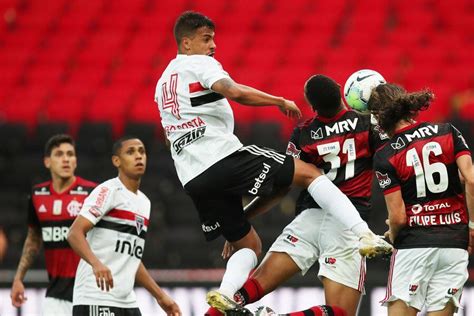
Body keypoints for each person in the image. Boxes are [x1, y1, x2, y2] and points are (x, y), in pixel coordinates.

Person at [155, 11, 391, 313]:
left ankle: (226, 295)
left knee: (248, 245)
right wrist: (278, 101)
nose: (213, 45)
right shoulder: (200, 63)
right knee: (308, 174)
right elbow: (235, 91)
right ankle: (365, 234)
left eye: (213, 38)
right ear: (185, 43)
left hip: (192, 176)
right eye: (206, 39)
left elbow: (168, 134)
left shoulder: (163, 84)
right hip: (223, 157)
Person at [207, 74, 390, 316]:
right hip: (348, 225)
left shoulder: (303, 133)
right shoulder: (367, 125)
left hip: (308, 221)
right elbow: (392, 159)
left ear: (313, 107)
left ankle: (219, 308)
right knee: (340, 312)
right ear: (340, 90)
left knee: (249, 289)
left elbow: (280, 186)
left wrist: (242, 219)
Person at [368, 84, 474, 315]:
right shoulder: (448, 131)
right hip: (455, 242)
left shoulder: (386, 155)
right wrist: (472, 227)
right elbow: (471, 180)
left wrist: (392, 235)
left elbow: (397, 217)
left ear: (379, 116)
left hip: (414, 245)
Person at [67, 137, 181, 316]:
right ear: (116, 161)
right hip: (96, 297)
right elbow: (74, 233)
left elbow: (131, 259)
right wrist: (97, 264)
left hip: (127, 301)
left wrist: (160, 296)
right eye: (131, 152)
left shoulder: (144, 203)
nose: (138, 156)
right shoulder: (108, 191)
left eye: (141, 151)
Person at [10, 134, 97, 315]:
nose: (66, 159)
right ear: (47, 162)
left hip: (91, 292)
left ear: (76, 161)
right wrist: (19, 278)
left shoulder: (92, 193)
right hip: (56, 294)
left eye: (70, 154)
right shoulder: (37, 195)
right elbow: (33, 238)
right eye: (59, 154)